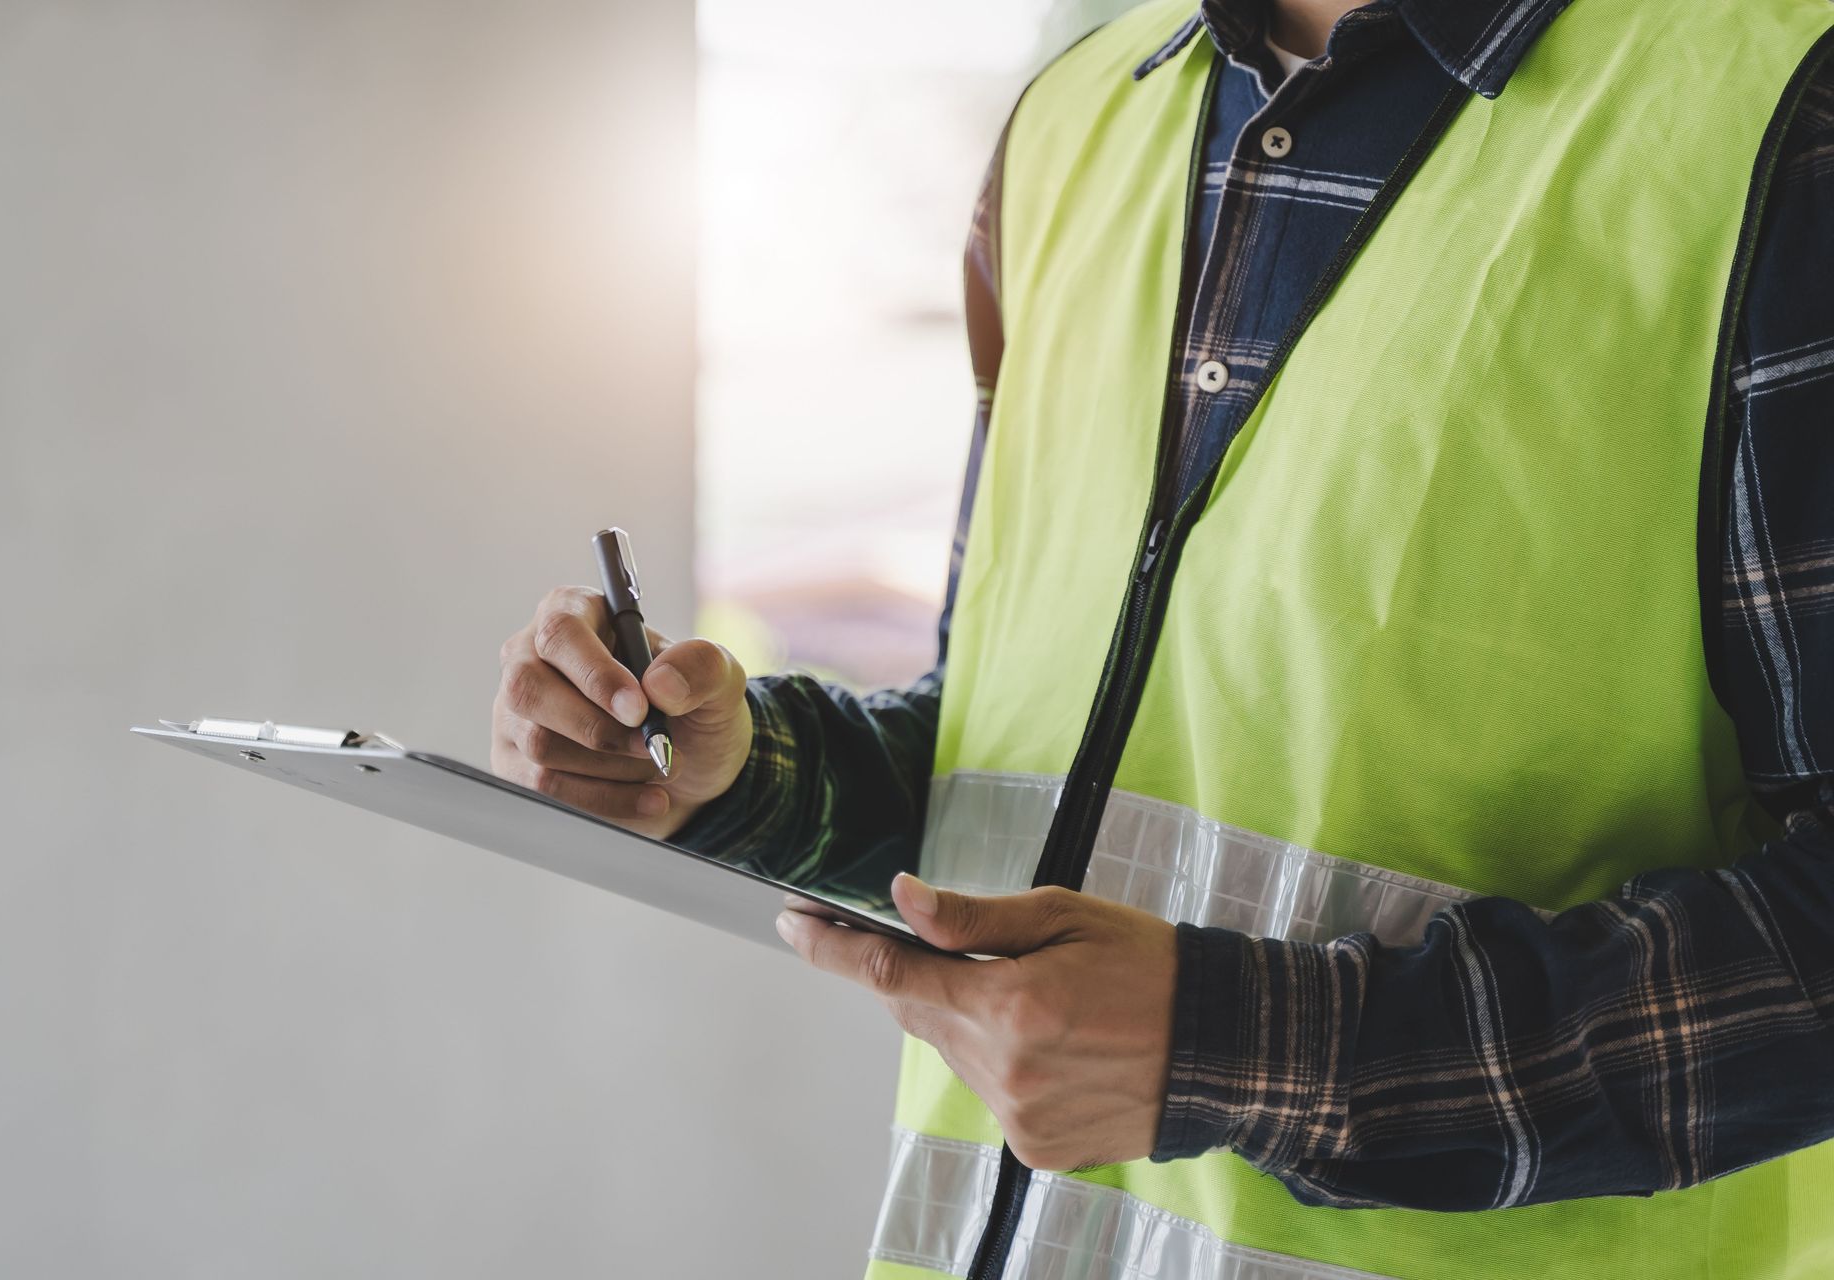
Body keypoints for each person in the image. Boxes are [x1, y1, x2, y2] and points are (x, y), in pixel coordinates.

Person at [490, 0, 1834, 1273]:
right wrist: (738, 771)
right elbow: (1035, 758)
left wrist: (1246, 1049)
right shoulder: (1073, 123)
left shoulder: (1778, 118)